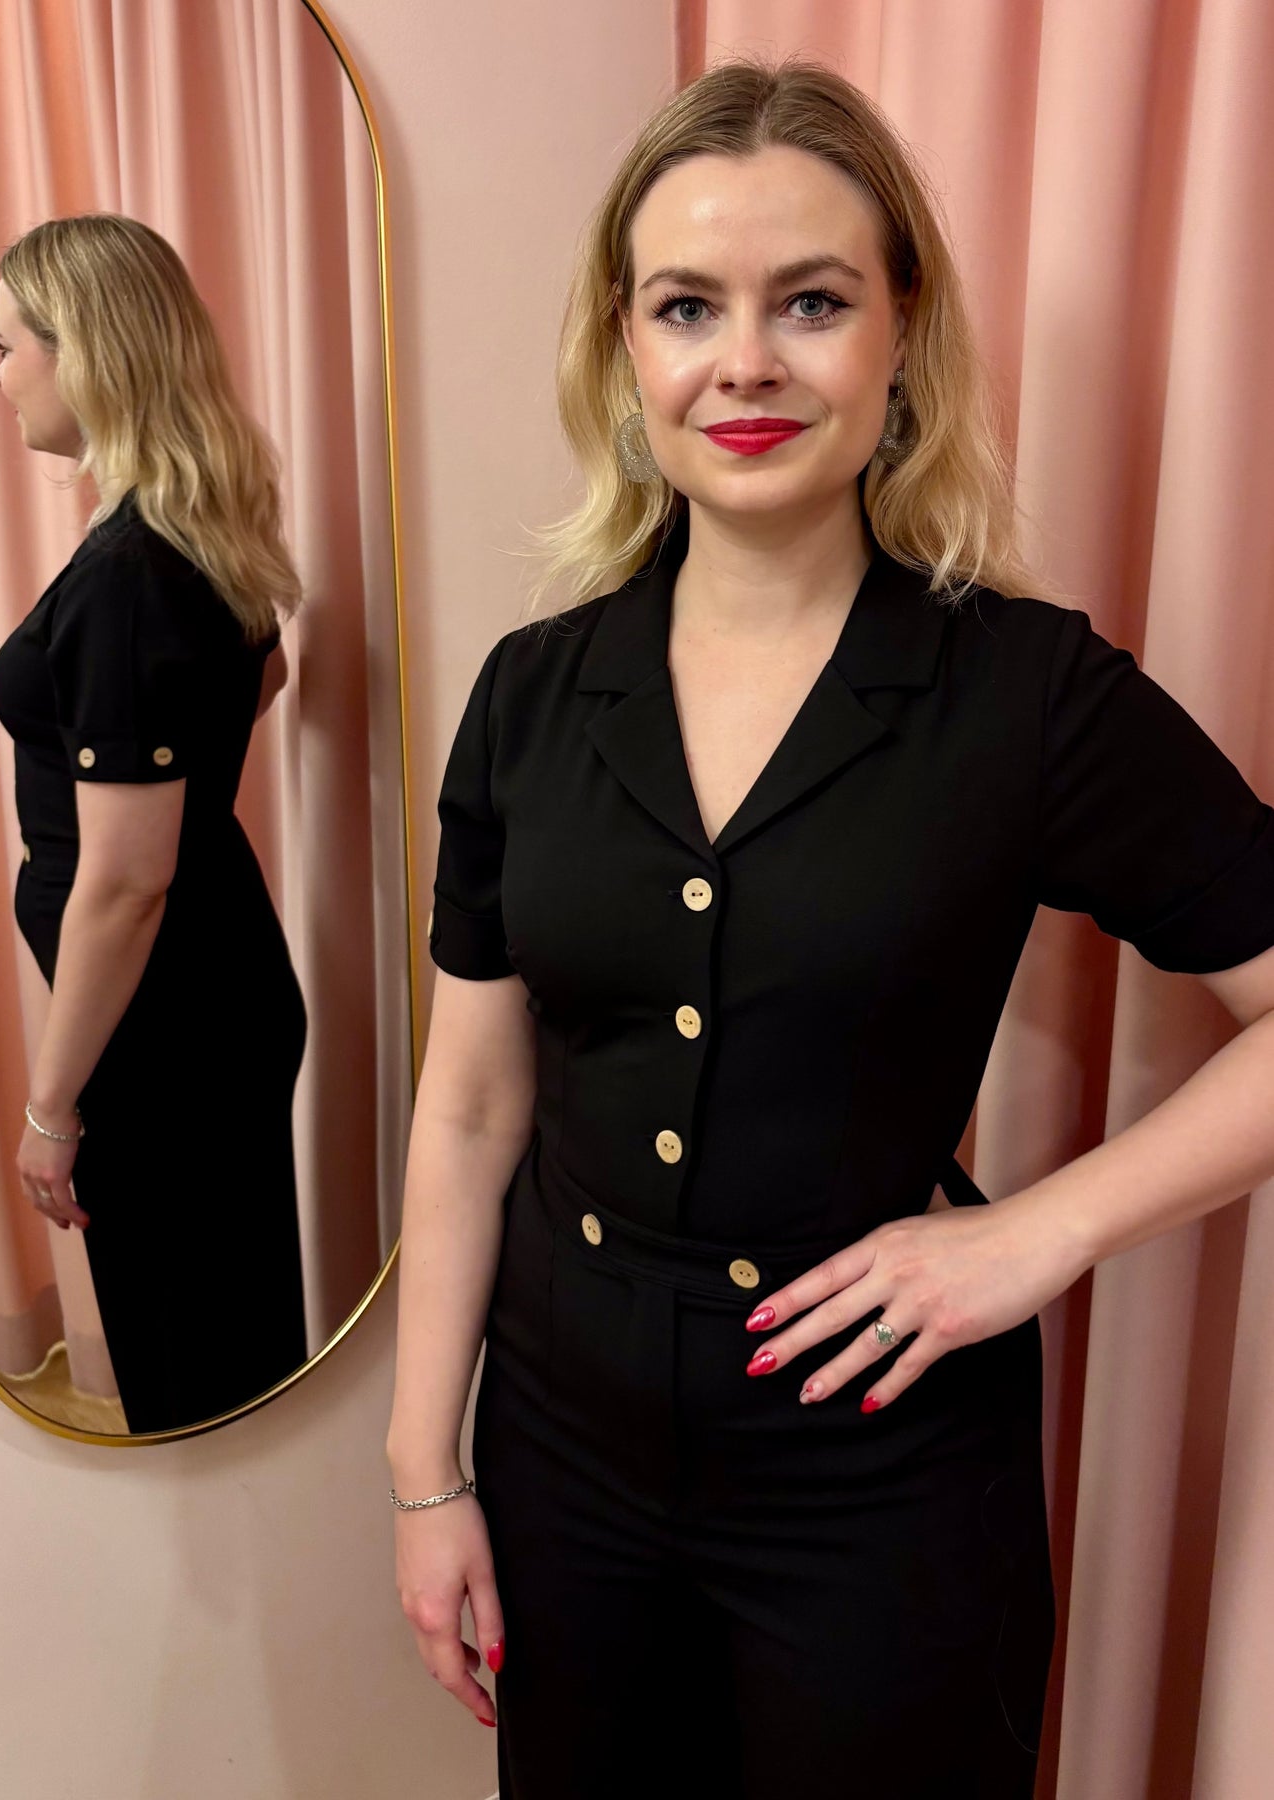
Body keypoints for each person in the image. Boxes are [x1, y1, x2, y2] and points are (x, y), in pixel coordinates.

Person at [386, 60, 1274, 1797]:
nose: (745, 363)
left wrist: (1039, 1233)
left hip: (880, 1484)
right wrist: (428, 1474)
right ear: (624, 347)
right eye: (685, 307)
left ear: (899, 333)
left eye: (809, 302)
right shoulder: (529, 695)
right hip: (560, 1457)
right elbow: (474, 1105)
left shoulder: (1027, 696)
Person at [0, 214, 308, 1435]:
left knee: (196, 1371)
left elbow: (125, 886)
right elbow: (262, 678)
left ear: (86, 353)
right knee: (226, 1338)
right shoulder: (183, 527)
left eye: (8, 346)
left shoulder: (131, 572)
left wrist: (49, 1111)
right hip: (207, 991)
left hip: (165, 1032)